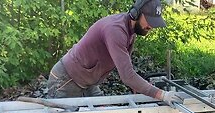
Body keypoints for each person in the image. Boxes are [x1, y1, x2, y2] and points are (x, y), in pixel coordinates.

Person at [46, 0, 183, 107]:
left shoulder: (130, 32)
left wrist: (139, 88)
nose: (151, 27)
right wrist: (162, 95)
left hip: (88, 82)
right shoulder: (115, 30)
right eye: (149, 21)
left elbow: (126, 68)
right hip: (66, 79)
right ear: (136, 13)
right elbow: (127, 76)